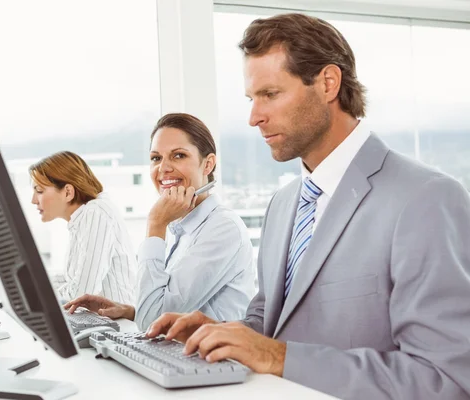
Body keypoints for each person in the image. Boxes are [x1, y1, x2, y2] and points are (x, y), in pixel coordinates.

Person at [146, 13, 470, 400]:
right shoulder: (283, 205)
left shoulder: (426, 199)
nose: (254, 117)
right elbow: (271, 324)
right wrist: (216, 331)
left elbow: (446, 379)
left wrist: (279, 357)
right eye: (252, 99)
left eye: (270, 94)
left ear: (328, 83)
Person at [65, 113, 256, 330]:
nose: (163, 168)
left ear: (208, 165)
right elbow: (167, 310)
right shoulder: (184, 227)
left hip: (213, 362)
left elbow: (152, 321)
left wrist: (155, 225)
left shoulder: (222, 228)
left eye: (178, 156)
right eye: (156, 158)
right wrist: (129, 311)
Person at [29, 151, 136, 304]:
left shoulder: (96, 213)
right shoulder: (82, 219)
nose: (33, 200)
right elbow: (70, 281)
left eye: (39, 191)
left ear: (68, 192)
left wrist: (34, 294)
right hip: (99, 321)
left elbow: (82, 293)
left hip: (117, 326)